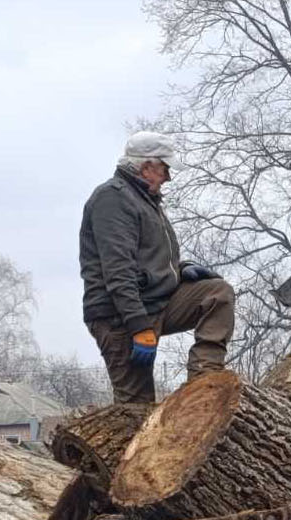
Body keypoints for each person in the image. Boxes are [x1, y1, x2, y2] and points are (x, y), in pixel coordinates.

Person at [80, 131, 235, 404]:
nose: (168, 177)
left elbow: (147, 257)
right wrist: (138, 326)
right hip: (119, 316)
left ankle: (203, 382)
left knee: (216, 293)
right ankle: (132, 429)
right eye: (165, 169)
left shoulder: (145, 200)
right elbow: (118, 272)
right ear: (146, 167)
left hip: (156, 302)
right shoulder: (112, 200)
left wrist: (180, 270)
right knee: (136, 408)